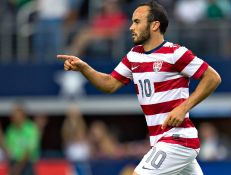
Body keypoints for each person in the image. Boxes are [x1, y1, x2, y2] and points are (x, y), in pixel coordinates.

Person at [57, 1, 221, 174]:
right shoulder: (134, 55)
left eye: (137, 22)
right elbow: (109, 84)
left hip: (177, 140)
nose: (130, 27)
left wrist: (183, 108)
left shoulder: (175, 53)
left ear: (155, 25)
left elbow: (213, 78)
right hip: (162, 141)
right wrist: (84, 67)